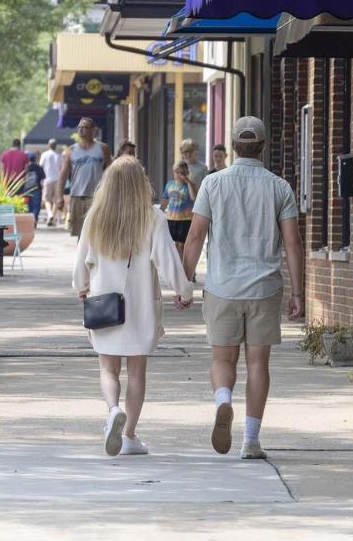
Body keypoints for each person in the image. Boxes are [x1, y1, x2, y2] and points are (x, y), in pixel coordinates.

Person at [182, 116, 305, 461]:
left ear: (234, 146)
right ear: (263, 146)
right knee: (257, 364)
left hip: (222, 287)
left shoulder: (212, 184)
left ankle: (223, 400)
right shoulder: (279, 187)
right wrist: (298, 293)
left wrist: (184, 282)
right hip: (264, 289)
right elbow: (293, 244)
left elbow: (195, 235)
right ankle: (251, 440)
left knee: (223, 359)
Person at [72, 157, 194, 456]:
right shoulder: (152, 217)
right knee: (137, 373)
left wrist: (81, 286)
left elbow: (81, 261)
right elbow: (167, 260)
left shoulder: (95, 216)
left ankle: (113, 409)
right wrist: (184, 291)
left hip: (104, 304)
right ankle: (128, 436)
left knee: (108, 368)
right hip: (141, 306)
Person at [57, 117, 111, 238]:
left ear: (93, 130)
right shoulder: (71, 150)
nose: (81, 129)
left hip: (97, 196)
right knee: (81, 234)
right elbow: (63, 175)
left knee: (96, 232)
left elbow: (110, 169)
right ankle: (81, 251)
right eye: (79, 127)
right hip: (77, 196)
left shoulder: (103, 148)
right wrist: (59, 197)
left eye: (85, 127)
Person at [160, 160, 196, 260]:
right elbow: (165, 201)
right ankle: (175, 264)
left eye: (183, 172)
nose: (180, 175)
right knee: (172, 245)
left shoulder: (190, 185)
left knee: (181, 244)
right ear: (174, 172)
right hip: (171, 218)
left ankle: (182, 264)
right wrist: (160, 212)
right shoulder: (170, 184)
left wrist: (188, 182)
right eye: (177, 172)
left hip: (185, 219)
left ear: (187, 172)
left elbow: (194, 197)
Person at [40, 139, 62, 226]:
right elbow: (62, 168)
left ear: (49, 145)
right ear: (56, 146)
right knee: (56, 200)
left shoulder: (44, 155)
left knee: (46, 199)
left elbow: (41, 167)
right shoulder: (59, 155)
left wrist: (41, 180)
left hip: (47, 179)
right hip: (57, 180)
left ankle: (50, 214)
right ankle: (51, 218)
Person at [23, 151, 46, 223]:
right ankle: (34, 219)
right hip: (36, 189)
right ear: (34, 159)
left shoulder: (24, 168)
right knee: (36, 205)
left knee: (27, 205)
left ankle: (28, 221)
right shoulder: (38, 167)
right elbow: (43, 177)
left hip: (26, 189)